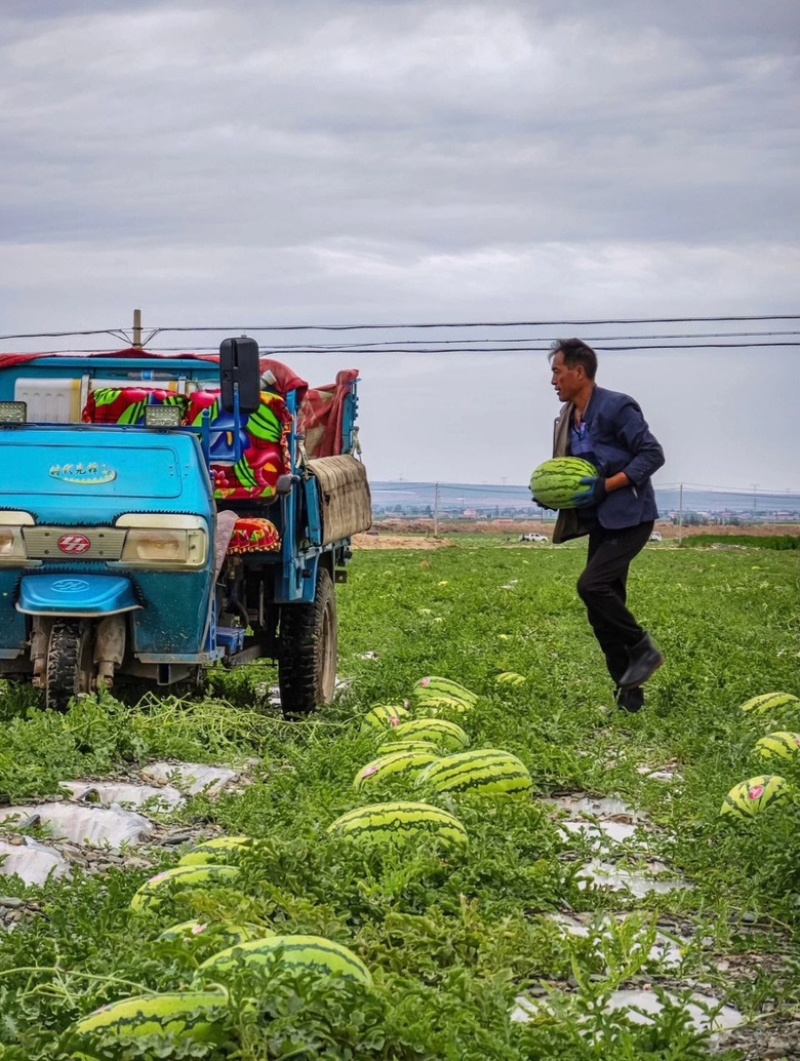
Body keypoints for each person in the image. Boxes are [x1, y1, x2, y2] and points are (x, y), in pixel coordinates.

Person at [540, 338, 666, 712]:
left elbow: (653, 454)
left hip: (631, 517)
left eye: (557, 372)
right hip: (602, 522)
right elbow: (573, 473)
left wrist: (607, 485)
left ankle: (644, 648)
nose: (553, 382)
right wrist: (555, 494)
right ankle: (629, 698)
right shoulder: (568, 418)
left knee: (591, 586)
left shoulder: (616, 407)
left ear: (579, 372)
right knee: (601, 612)